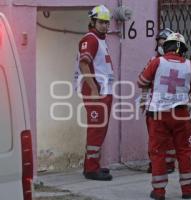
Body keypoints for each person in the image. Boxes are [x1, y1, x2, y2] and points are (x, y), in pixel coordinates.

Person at [137, 32, 191, 200]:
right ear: (183, 49)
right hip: (181, 114)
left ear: (166, 47)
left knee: (157, 152)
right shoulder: (189, 65)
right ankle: (187, 190)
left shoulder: (158, 62)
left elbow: (142, 82)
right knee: (184, 152)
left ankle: (159, 192)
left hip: (158, 114)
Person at [74, 5, 114, 181]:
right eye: (101, 22)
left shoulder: (100, 39)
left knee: (100, 129)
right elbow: (84, 64)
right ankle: (91, 169)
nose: (105, 26)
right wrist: (94, 89)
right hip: (96, 93)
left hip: (104, 91)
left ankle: (92, 165)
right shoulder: (90, 39)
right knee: (96, 130)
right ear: (92, 21)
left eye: (106, 22)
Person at [140, 28, 176, 174]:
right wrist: (143, 100)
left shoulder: (179, 62)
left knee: (169, 138)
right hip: (154, 106)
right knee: (155, 138)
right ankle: (156, 163)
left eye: (165, 44)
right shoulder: (153, 61)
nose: (161, 47)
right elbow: (144, 81)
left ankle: (168, 163)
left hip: (171, 106)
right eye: (160, 43)